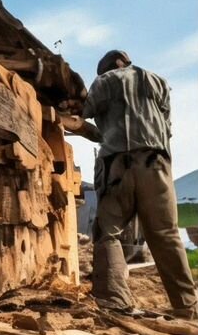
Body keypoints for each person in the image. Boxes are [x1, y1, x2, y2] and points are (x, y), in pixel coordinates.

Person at [83, 50, 198, 318]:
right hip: (155, 162)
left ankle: (114, 303)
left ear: (108, 68)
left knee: (108, 232)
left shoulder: (103, 82)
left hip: (117, 167)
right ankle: (186, 308)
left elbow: (83, 111)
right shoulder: (158, 81)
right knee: (166, 234)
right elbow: (166, 124)